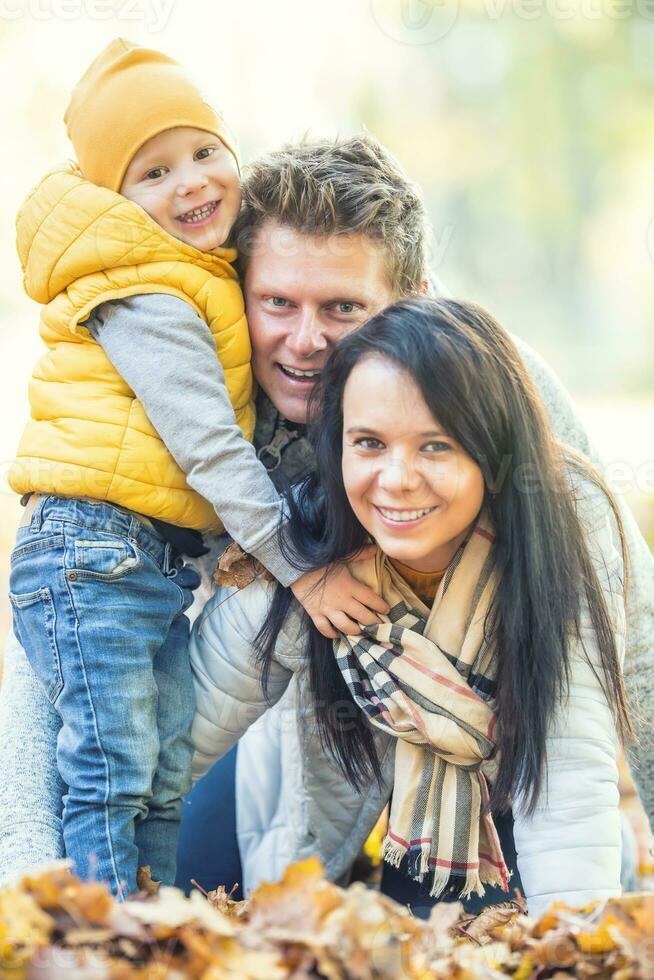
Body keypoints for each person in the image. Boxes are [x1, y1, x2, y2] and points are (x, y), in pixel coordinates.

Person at [1, 136, 652, 900]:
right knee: (172, 847)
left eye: (343, 307)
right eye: (278, 302)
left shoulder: (503, 402)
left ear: (416, 300)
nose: (305, 342)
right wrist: (26, 890)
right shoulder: (184, 408)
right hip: (291, 715)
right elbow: (67, 636)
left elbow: (632, 639)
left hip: (489, 744)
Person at [6, 42, 384, 897]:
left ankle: (163, 921)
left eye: (206, 151)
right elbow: (209, 447)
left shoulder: (202, 277)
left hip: (147, 561)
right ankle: (100, 935)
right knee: (112, 765)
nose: (191, 182)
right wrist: (307, 572)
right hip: (91, 549)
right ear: (117, 198)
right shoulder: (150, 296)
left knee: (162, 761)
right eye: (153, 171)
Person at [190, 296, 632, 920]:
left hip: (489, 819)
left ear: (494, 452)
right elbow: (186, 724)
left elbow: (567, 778)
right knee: (179, 873)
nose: (396, 479)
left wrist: (577, 941)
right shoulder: (310, 550)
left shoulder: (557, 547)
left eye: (436, 446)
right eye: (369, 442)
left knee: (444, 936)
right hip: (319, 802)